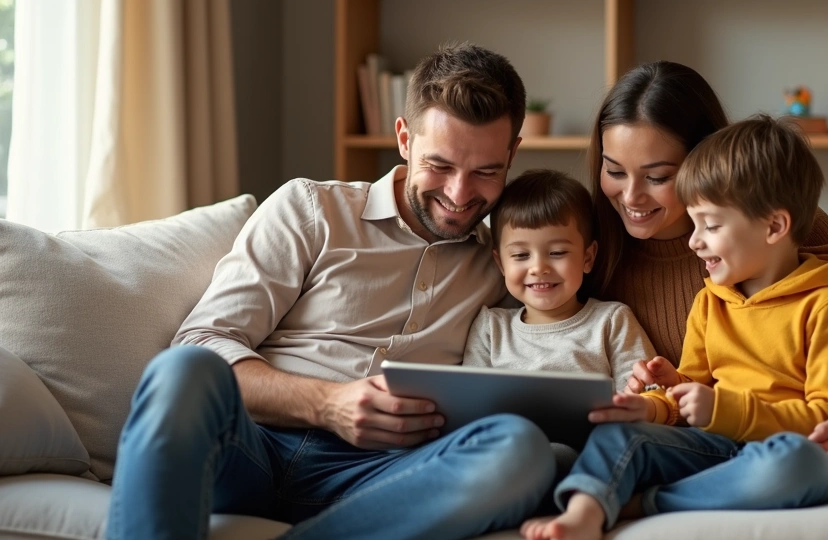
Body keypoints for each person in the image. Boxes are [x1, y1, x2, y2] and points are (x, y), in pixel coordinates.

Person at [105, 43, 556, 540]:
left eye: (486, 172)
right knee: (183, 369)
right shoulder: (311, 209)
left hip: (383, 476)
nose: (459, 194)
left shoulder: (507, 265)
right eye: (440, 166)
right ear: (404, 139)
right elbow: (203, 341)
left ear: (512, 154)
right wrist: (327, 403)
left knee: (521, 449)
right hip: (253, 448)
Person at [522, 115, 828, 540]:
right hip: (712, 447)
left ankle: (649, 503)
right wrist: (657, 401)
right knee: (620, 433)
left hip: (778, 450)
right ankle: (583, 514)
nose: (694, 240)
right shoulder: (710, 300)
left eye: (712, 225)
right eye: (694, 223)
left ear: (775, 226)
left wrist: (723, 409)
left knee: (804, 464)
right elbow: (690, 391)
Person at [586, 61, 828, 482]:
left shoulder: (782, 233)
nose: (631, 196)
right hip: (681, 449)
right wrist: (656, 396)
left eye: (658, 176)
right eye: (614, 171)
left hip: (776, 448)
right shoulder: (587, 248)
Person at [462, 169, 655, 393]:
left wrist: (636, 398)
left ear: (587, 258)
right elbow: (470, 398)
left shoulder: (611, 321)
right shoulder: (491, 328)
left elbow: (645, 393)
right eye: (521, 255)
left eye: (557, 253)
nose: (538, 268)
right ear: (501, 263)